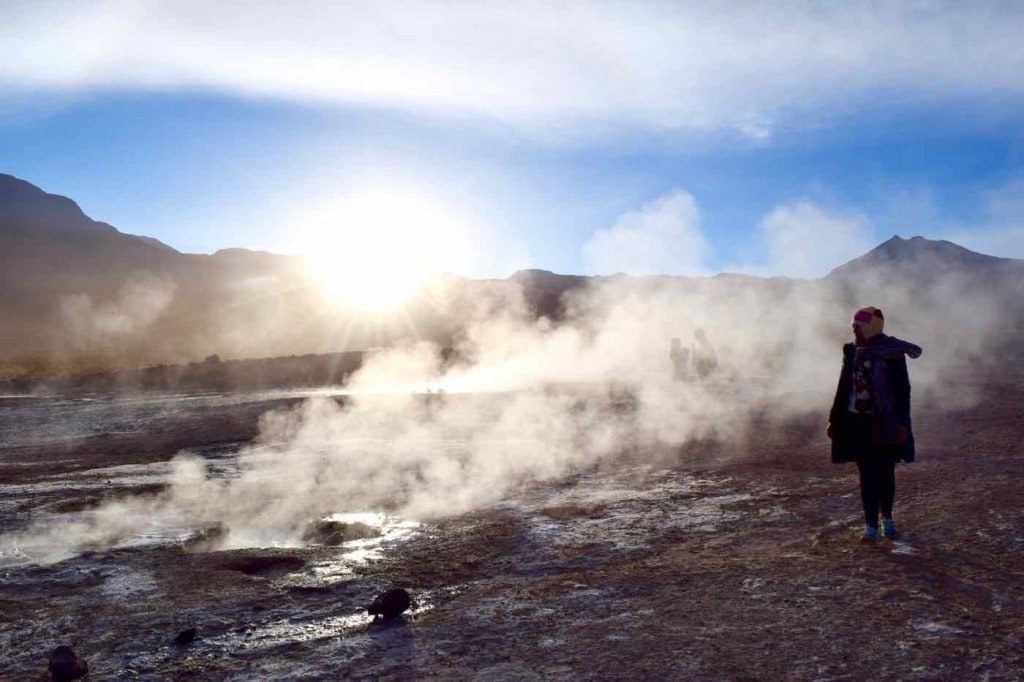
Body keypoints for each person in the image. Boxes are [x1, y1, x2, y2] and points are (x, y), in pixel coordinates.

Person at [827, 306, 922, 543]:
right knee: (867, 474)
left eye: (857, 327)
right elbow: (843, 387)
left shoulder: (892, 353)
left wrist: (901, 423)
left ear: (869, 328)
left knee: (886, 472)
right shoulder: (851, 352)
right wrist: (833, 419)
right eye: (853, 328)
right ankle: (870, 525)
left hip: (886, 423)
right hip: (858, 424)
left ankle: (887, 519)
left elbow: (902, 391)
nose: (854, 332)